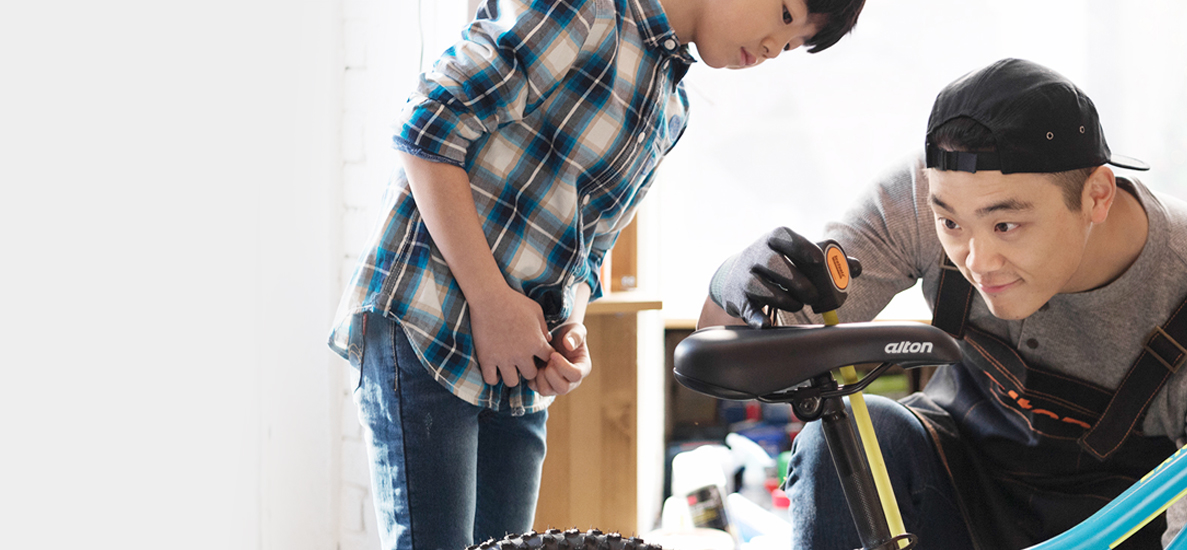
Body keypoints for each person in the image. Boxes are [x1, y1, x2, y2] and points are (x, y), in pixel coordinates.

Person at [328, 0, 867, 548]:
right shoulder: (586, 10)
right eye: (784, 14)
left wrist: (571, 328)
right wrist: (491, 301)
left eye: (794, 44)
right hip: (427, 321)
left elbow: (590, 247)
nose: (775, 48)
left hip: (517, 366)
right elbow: (427, 126)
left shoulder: (671, 108)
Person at [701, 58, 1187, 549]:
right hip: (951, 489)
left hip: (1114, 531)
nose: (976, 260)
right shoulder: (928, 197)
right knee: (850, 432)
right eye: (951, 224)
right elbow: (739, 355)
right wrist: (733, 285)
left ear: (1097, 195)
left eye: (1006, 225)